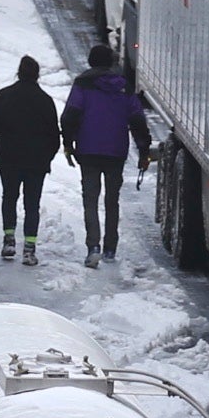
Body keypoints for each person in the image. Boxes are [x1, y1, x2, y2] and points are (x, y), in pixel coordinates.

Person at [62, 39, 150, 262]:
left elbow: (70, 115)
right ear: (110, 62)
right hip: (116, 151)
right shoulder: (124, 86)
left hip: (88, 150)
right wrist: (143, 148)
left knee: (90, 199)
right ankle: (111, 247)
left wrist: (68, 142)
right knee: (112, 200)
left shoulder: (83, 84)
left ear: (91, 61)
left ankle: (93, 246)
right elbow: (137, 118)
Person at [0, 55, 62, 265]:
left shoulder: (3, 96)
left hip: (8, 158)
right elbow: (54, 136)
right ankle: (29, 248)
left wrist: (6, 133)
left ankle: (9, 240)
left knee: (9, 197)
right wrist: (46, 156)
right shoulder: (45, 101)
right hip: (36, 162)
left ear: (18, 72)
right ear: (37, 74)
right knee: (32, 204)